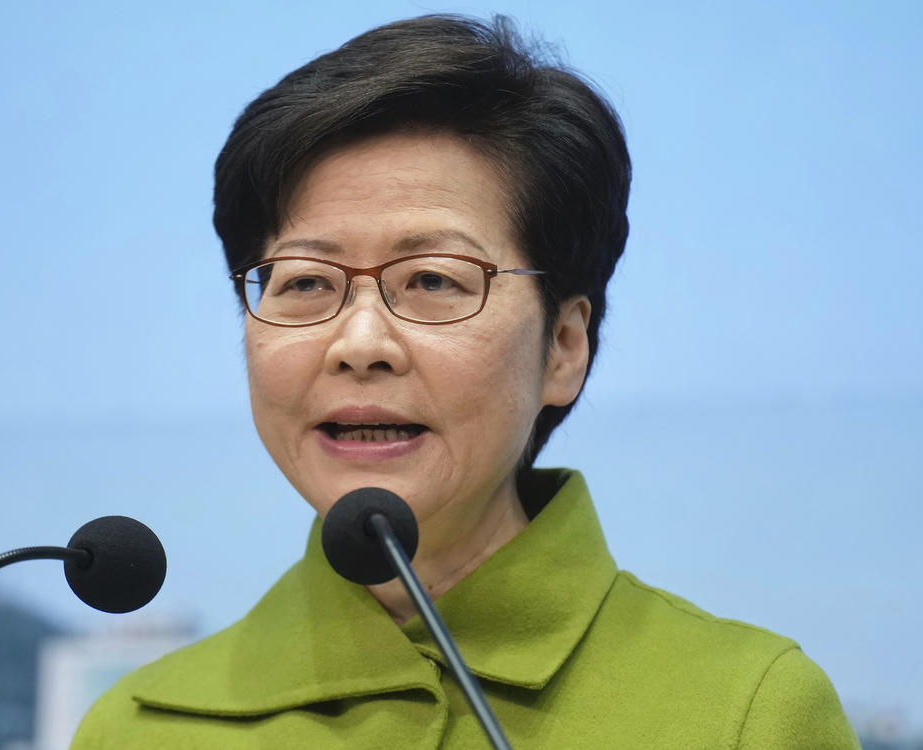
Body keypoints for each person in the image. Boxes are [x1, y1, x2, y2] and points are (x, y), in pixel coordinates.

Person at [72, 14, 859, 748]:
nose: (360, 343)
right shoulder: (137, 726)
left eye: (434, 280)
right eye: (306, 282)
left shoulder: (746, 712)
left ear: (563, 346)